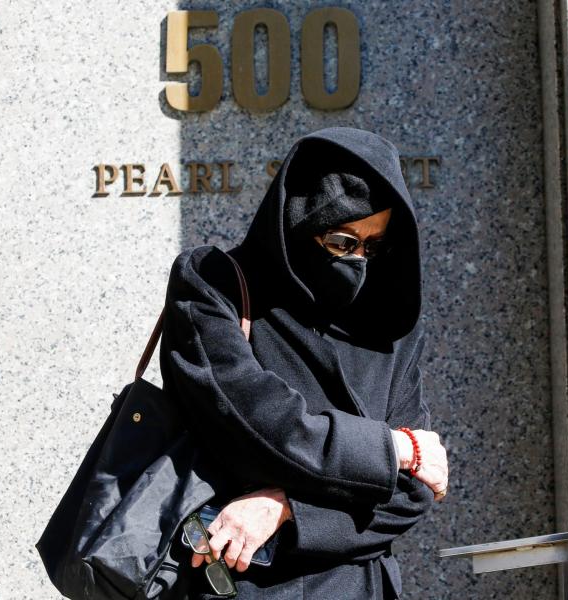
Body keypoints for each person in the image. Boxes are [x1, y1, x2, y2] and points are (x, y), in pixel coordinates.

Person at [158, 126, 449, 599]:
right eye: (341, 241)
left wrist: (288, 510)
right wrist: (392, 450)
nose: (357, 261)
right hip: (243, 584)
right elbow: (263, 426)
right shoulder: (213, 287)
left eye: (373, 246)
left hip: (363, 587)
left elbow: (412, 493)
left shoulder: (390, 321)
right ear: (298, 223)